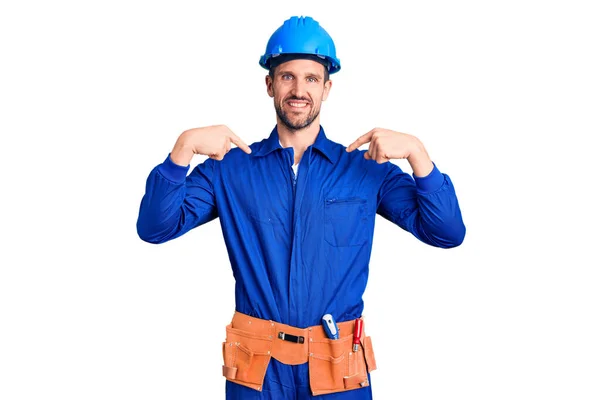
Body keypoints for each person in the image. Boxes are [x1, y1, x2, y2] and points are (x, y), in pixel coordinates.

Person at [137, 15, 465, 400]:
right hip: (257, 374)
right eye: (287, 76)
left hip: (337, 372)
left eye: (311, 78)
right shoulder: (229, 169)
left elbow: (447, 233)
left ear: (327, 88)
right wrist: (182, 149)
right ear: (269, 84)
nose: (299, 89)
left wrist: (417, 154)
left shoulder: (365, 170)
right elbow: (155, 228)